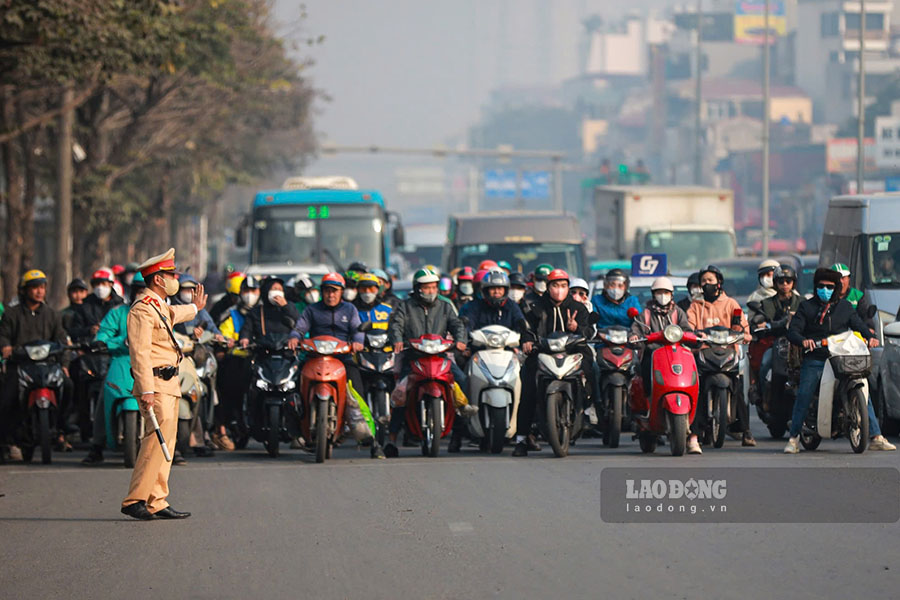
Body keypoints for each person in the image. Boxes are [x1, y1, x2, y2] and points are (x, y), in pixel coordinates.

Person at [121, 248, 206, 520]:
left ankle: (157, 500)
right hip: (155, 385)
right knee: (154, 443)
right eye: (171, 275)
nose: (175, 279)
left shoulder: (158, 306)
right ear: (158, 279)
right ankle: (135, 499)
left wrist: (195, 308)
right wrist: (145, 389)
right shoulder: (142, 309)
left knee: (165, 444)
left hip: (168, 383)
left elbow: (174, 313)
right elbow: (140, 352)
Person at [783, 268, 895, 453]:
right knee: (804, 394)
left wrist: (870, 337)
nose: (825, 290)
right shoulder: (806, 307)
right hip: (816, 358)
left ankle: (876, 437)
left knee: (863, 391)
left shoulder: (845, 307)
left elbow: (859, 324)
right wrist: (803, 341)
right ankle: (794, 438)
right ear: (815, 287)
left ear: (836, 288)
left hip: (842, 358)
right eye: (821, 286)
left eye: (829, 287)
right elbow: (793, 331)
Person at [288, 272, 385, 459]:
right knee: (292, 390)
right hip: (314, 357)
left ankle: (373, 442)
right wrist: (294, 337)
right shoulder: (312, 310)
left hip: (343, 358)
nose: (330, 295)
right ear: (322, 292)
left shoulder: (350, 309)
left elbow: (357, 330)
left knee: (357, 395)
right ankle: (296, 432)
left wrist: (358, 342)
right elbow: (300, 327)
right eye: (327, 290)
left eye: (334, 291)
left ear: (341, 292)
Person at [385, 268, 469, 458]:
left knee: (461, 381)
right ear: (417, 288)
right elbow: (396, 325)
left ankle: (458, 433)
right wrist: (397, 340)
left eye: (433, 287)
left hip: (440, 357)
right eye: (426, 287)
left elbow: (457, 325)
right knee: (400, 393)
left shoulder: (445, 306)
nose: (430, 291)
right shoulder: (405, 306)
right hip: (413, 357)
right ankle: (391, 439)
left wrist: (460, 340)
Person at [514, 269, 594, 457]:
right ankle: (522, 438)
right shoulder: (535, 307)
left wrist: (577, 328)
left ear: (568, 287)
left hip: (572, 352)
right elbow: (527, 329)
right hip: (542, 353)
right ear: (548, 287)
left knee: (591, 371)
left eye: (563, 286)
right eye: (555, 286)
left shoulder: (578, 308)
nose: (559, 290)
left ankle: (590, 411)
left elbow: (589, 331)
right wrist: (527, 341)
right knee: (528, 390)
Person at [456, 271, 531, 452]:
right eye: (492, 289)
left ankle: (527, 433)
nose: (496, 292)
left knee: (528, 384)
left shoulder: (512, 306)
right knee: (460, 379)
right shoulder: (475, 306)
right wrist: (464, 341)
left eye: (500, 289)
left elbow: (521, 323)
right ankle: (457, 432)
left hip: (507, 351)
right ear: (485, 291)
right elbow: (467, 324)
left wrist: (526, 338)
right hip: (478, 351)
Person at [0, 270, 70, 461]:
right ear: (24, 290)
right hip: (20, 365)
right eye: (34, 288)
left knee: (69, 386)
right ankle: (8, 441)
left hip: (48, 365)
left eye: (42, 287)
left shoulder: (52, 315)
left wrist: (65, 364)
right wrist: (6, 347)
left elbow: (62, 341)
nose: (39, 292)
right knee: (7, 399)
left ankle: (62, 430)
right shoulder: (11, 314)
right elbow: (4, 335)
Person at [686, 265, 754, 452]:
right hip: (704, 353)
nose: (706, 283)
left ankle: (746, 431)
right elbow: (689, 327)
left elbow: (743, 328)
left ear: (719, 282)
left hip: (728, 353)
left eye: (710, 280)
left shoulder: (731, 304)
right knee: (697, 390)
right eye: (703, 281)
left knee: (738, 387)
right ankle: (695, 433)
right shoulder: (696, 306)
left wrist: (743, 334)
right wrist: (694, 336)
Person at [82, 273, 147, 465]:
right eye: (139, 290)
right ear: (132, 291)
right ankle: (97, 445)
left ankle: (173, 445)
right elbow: (104, 333)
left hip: (153, 362)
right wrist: (104, 341)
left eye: (145, 290)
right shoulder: (118, 313)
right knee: (106, 395)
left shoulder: (161, 313)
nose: (142, 294)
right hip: (122, 360)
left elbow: (171, 335)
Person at [211, 275, 260, 451]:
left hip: (261, 360)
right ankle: (223, 428)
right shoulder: (231, 314)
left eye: (253, 290)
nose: (250, 295)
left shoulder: (264, 313)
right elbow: (222, 334)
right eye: (246, 290)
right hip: (238, 360)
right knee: (228, 390)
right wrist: (228, 342)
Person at [631, 277, 691, 395]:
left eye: (666, 293)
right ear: (653, 295)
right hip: (652, 353)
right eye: (659, 292)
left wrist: (694, 336)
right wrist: (634, 336)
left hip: (675, 354)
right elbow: (636, 328)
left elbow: (687, 330)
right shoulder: (646, 314)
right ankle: (649, 398)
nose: (663, 296)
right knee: (646, 369)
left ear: (671, 295)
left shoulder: (678, 312)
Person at [68, 268, 124, 342]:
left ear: (111, 284)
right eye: (97, 284)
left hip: (115, 345)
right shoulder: (85, 305)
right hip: (91, 345)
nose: (100, 287)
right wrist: (89, 330)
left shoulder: (120, 305)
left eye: (103, 284)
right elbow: (75, 330)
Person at [173, 274, 224, 340]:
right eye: (186, 290)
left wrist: (218, 335)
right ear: (179, 291)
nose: (189, 292)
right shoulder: (173, 307)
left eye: (192, 290)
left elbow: (210, 324)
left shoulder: (199, 309)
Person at [831, 263, 874, 328]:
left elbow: (865, 317)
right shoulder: (826, 296)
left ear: (848, 279)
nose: (841, 282)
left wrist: (869, 328)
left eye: (843, 278)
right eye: (837, 278)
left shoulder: (857, 296)